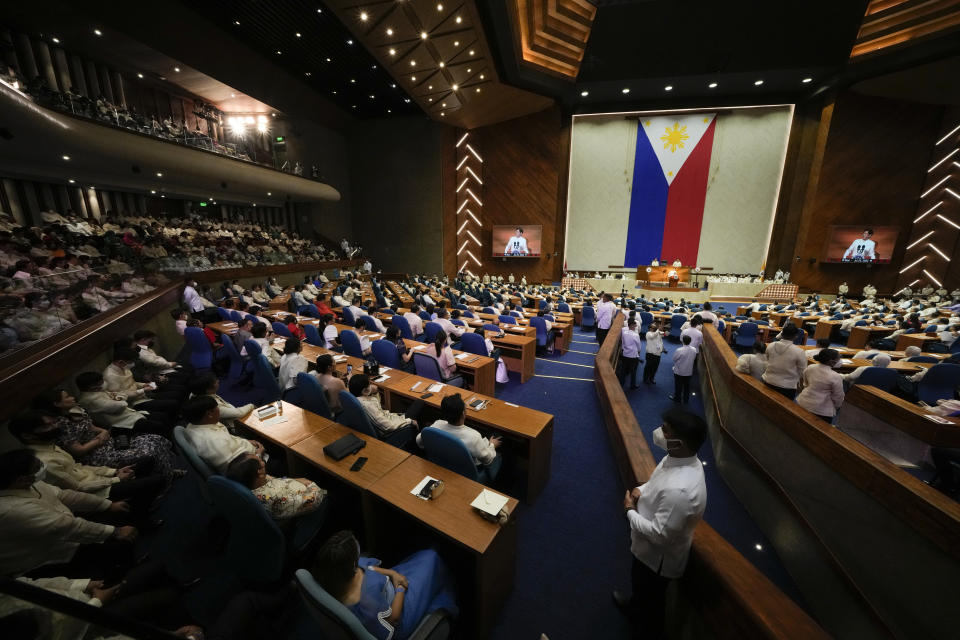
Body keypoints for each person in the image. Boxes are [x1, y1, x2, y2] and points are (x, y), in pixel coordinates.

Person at [613, 409, 708, 639]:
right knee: (640, 591)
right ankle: (634, 608)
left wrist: (629, 511)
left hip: (656, 561)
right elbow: (657, 481)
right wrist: (641, 489)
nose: (659, 433)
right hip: (646, 549)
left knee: (651, 604)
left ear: (681, 442)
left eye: (665, 431)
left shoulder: (681, 491)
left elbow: (659, 535)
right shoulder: (677, 458)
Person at [0, 449, 139, 578]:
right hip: (45, 560)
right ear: (21, 479)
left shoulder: (31, 484)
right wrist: (115, 532)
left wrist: (108, 505)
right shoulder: (12, 509)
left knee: (117, 516)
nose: (43, 468)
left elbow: (67, 496)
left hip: (64, 533)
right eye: (37, 468)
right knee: (118, 546)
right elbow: (66, 526)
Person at [311, 530, 458, 640]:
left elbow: (368, 568)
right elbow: (394, 618)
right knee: (431, 559)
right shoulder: (367, 602)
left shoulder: (334, 575)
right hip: (399, 608)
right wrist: (400, 589)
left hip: (390, 587)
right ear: (352, 565)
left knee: (425, 557)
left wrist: (392, 574)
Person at [32, 388, 180, 479]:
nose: (72, 398)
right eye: (67, 397)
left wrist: (103, 432)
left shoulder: (75, 411)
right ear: (56, 404)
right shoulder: (60, 424)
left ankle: (166, 471)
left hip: (106, 442)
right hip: (95, 455)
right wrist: (100, 439)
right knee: (149, 451)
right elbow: (78, 451)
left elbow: (94, 427)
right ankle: (161, 480)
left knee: (156, 438)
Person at [225, 454, 326, 520]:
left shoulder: (252, 482)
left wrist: (295, 480)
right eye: (260, 461)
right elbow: (311, 502)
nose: (263, 462)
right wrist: (312, 485)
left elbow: (276, 480)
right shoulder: (275, 498)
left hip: (294, 490)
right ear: (259, 472)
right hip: (308, 500)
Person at [416, 393, 502, 471]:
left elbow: (419, 441)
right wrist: (492, 445)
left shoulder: (436, 425)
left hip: (441, 464)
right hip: (468, 473)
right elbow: (488, 460)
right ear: (463, 413)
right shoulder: (474, 437)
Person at [182, 396, 263, 473]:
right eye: (217, 408)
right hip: (253, 466)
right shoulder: (215, 443)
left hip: (245, 451)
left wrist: (245, 441)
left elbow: (227, 438)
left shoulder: (194, 424)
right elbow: (239, 471)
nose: (219, 411)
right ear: (209, 414)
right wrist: (259, 454)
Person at [349, 374, 421, 436]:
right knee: (420, 401)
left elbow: (377, 406)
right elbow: (388, 426)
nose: (371, 386)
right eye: (369, 385)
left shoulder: (357, 398)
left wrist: (374, 392)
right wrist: (410, 421)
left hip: (393, 418)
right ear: (364, 390)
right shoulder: (368, 405)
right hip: (394, 428)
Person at [189, 373, 255, 430]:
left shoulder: (196, 393)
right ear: (208, 390)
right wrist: (252, 405)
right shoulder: (212, 405)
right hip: (234, 424)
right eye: (215, 382)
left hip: (230, 413)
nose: (218, 381)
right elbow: (239, 413)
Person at [797, 349, 845, 422]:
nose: (839, 361)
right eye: (838, 359)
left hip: (803, 401)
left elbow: (805, 383)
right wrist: (836, 407)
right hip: (821, 410)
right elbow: (838, 397)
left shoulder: (810, 367)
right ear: (832, 362)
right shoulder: (835, 376)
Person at [761, 323, 807, 399]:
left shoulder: (771, 345)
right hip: (787, 386)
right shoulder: (799, 351)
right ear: (796, 336)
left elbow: (767, 360)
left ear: (781, 334)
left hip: (768, 380)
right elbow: (802, 372)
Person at [670, 335, 696, 403]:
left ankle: (677, 398)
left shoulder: (679, 350)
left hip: (679, 371)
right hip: (689, 372)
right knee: (687, 387)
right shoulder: (694, 349)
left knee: (678, 386)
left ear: (682, 341)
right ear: (690, 341)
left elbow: (674, 359)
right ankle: (686, 399)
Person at [620, 319, 643, 389]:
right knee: (633, 371)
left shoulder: (624, 332)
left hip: (625, 354)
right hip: (633, 355)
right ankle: (632, 385)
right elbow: (639, 346)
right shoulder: (635, 335)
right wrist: (638, 351)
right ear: (632, 325)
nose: (636, 326)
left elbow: (622, 342)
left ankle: (621, 384)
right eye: (635, 324)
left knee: (623, 370)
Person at [643, 320, 665, 385]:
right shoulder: (648, 333)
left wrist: (666, 332)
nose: (655, 326)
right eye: (653, 326)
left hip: (658, 354)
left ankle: (651, 378)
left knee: (655, 368)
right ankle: (645, 379)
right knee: (648, 367)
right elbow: (653, 336)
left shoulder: (658, 332)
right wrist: (658, 330)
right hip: (650, 354)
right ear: (650, 328)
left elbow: (663, 335)